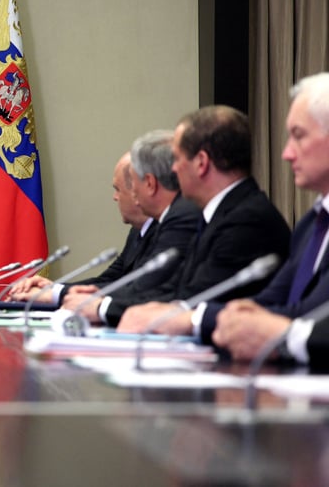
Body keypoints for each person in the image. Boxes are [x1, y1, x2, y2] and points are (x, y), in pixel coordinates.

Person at [148, 73, 329, 343]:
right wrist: (228, 318)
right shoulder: (310, 224)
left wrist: (197, 319)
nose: (286, 153)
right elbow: (268, 302)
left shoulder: (248, 219)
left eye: (298, 136)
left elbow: (308, 316)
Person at [117, 106, 291, 333]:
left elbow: (196, 299)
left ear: (201, 162)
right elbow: (177, 287)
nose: (174, 168)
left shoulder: (246, 220)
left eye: (178, 158)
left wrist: (111, 308)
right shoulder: (218, 213)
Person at [64, 130, 202, 325]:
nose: (133, 193)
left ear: (150, 183)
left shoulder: (182, 217)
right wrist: (63, 293)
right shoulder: (163, 220)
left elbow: (152, 289)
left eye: (133, 184)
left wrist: (96, 305)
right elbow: (121, 280)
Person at [9, 152, 149, 303]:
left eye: (118, 189)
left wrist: (56, 294)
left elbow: (136, 290)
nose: (114, 197)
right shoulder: (138, 230)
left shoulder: (169, 230)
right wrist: (53, 288)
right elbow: (110, 279)